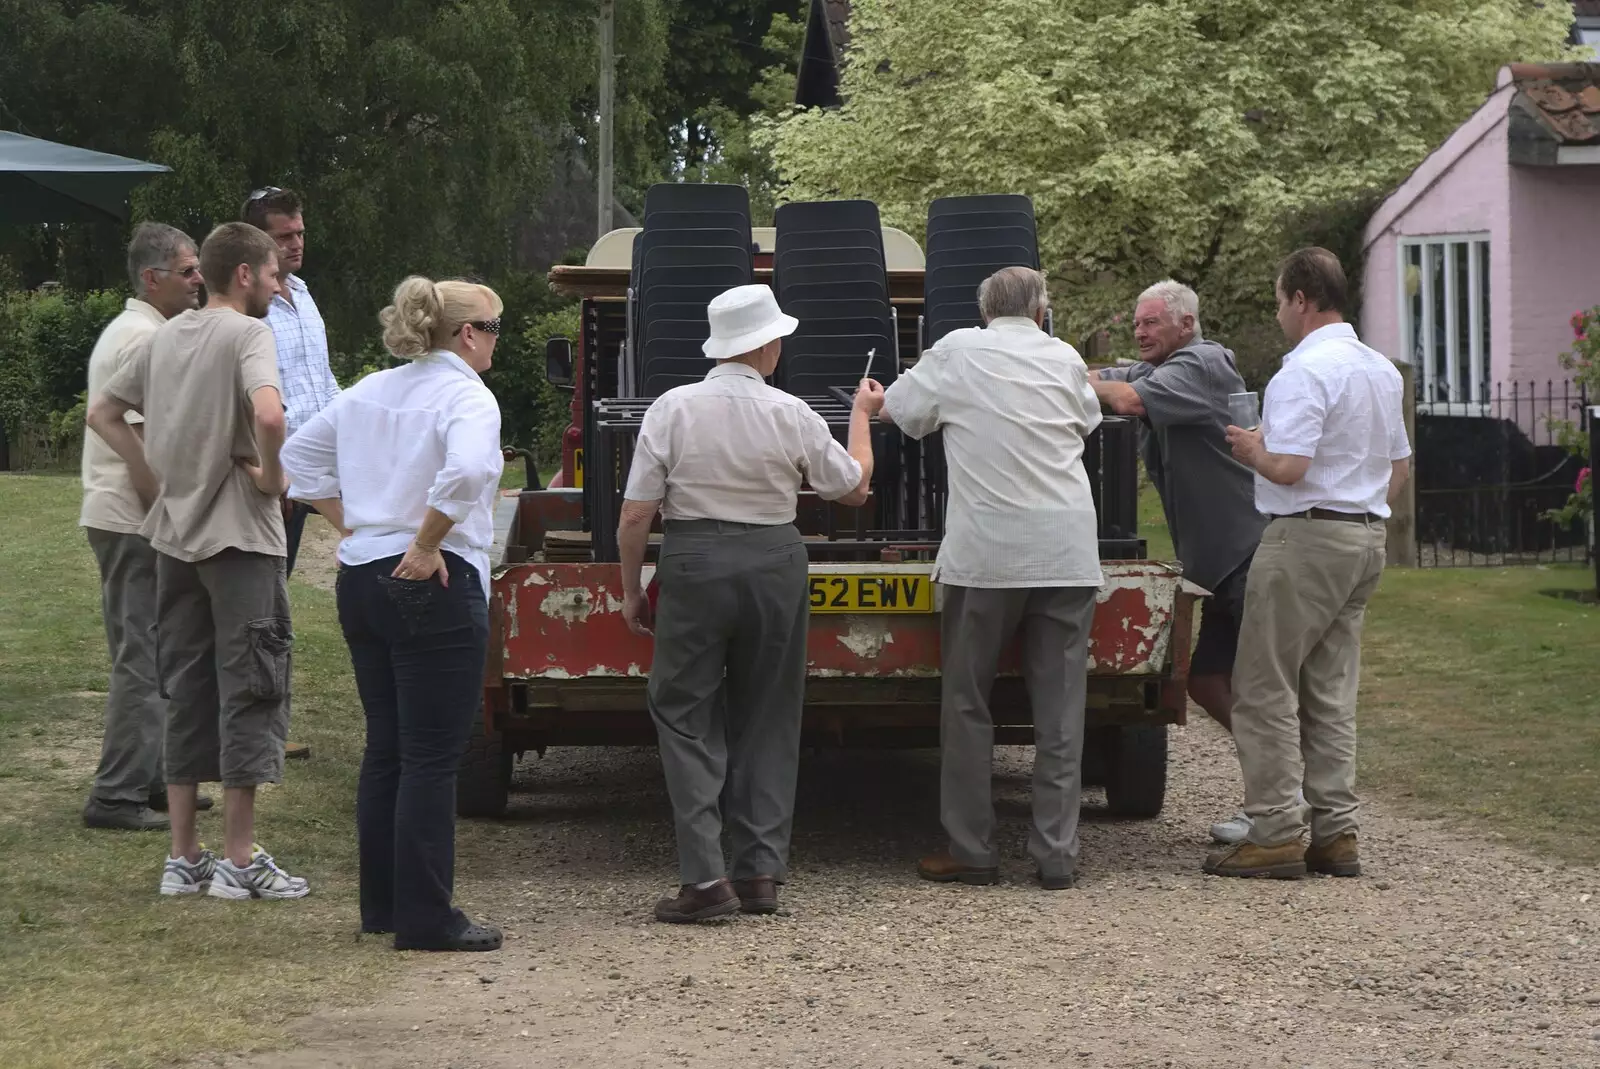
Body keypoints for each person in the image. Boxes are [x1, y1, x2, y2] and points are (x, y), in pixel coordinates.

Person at [618, 284, 878, 923]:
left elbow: (635, 514)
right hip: (774, 560)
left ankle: (705, 879)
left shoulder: (672, 408)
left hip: (694, 558)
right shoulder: (792, 411)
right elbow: (852, 489)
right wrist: (862, 419)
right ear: (764, 344)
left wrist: (632, 588)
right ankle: (760, 871)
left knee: (683, 713)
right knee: (769, 712)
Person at [281, 276, 506, 952]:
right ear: (467, 334)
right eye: (494, 327)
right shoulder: (468, 395)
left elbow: (296, 461)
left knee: (388, 748)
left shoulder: (370, 389)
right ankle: (427, 915)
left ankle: (382, 903)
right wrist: (426, 540)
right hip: (431, 577)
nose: (498, 340)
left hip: (364, 578)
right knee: (434, 755)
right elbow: (466, 472)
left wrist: (358, 527)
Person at [86, 221, 309, 901]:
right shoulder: (247, 335)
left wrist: (157, 473)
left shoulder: (163, 336)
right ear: (243, 274)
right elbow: (269, 417)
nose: (278, 285)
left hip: (173, 538)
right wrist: (273, 478)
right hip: (239, 536)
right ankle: (240, 860)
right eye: (272, 274)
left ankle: (183, 856)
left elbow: (103, 411)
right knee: (252, 685)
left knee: (184, 687)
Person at [879, 266, 1103, 891]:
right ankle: (1057, 854)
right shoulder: (1064, 357)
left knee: (967, 703)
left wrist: (871, 401)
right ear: (1040, 311)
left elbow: (901, 411)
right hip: (1066, 549)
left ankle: (972, 849)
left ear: (985, 311)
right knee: (1061, 712)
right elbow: (1087, 423)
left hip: (987, 553)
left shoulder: (956, 350)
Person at [1205, 247, 1410, 881]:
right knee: (1330, 690)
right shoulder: (1381, 369)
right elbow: (1399, 467)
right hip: (1365, 536)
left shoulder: (1302, 371)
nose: (1277, 314)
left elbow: (1289, 467)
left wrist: (1248, 448)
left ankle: (1273, 829)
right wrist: (1364, 507)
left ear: (1300, 299)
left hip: (1306, 536)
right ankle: (1336, 830)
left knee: (1264, 688)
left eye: (1277, 302)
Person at [1090, 280, 1296, 845]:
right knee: (1207, 680)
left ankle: (1281, 806)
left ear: (1185, 325)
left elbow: (1128, 400)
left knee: (1255, 689)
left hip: (1248, 554)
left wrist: (1099, 383)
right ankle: (1283, 792)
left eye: (1152, 322)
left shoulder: (1200, 364)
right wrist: (1066, 371)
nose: (1140, 330)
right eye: (1137, 321)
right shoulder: (1166, 369)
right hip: (1224, 563)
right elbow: (1118, 377)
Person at [78, 222, 208, 831]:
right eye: (187, 271)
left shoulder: (146, 330)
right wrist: (158, 496)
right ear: (152, 279)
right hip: (130, 519)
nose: (198, 280)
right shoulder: (139, 338)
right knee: (142, 655)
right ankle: (116, 795)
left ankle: (153, 780)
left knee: (155, 649)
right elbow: (111, 421)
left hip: (132, 516)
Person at [244, 186, 338, 762]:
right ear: (259, 241)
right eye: (284, 235)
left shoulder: (302, 296)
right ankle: (255, 726)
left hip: (304, 471)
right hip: (272, 474)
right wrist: (270, 473)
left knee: (276, 597)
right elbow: (251, 400)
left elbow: (322, 388)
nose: (297, 243)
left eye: (300, 232)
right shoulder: (249, 308)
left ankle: (269, 720)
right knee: (260, 601)